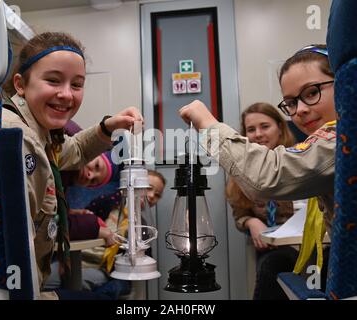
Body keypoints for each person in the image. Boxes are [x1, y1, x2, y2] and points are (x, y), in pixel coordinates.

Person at [180, 44, 336, 293]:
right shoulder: (241, 165)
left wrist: (208, 124)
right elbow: (242, 208)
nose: (302, 110)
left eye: (312, 93)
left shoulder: (334, 140)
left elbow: (268, 176)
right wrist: (251, 221)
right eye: (292, 103)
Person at [1, 32, 143, 299]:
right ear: (20, 84)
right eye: (53, 80)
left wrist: (107, 127)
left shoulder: (41, 133)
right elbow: (16, 243)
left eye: (76, 85)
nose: (66, 94)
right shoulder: (21, 140)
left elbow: (74, 150)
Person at [226, 102, 298, 300]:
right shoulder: (241, 170)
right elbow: (240, 213)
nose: (257, 134)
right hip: (272, 248)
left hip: (312, 245)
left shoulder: (301, 158)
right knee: (271, 267)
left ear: (280, 128)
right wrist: (251, 221)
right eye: (251, 129)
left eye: (264, 126)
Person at [81, 169, 166, 299]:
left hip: (108, 270)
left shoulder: (142, 225)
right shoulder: (107, 202)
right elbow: (81, 225)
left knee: (109, 288)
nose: (152, 195)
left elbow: (145, 254)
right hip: (82, 258)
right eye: (149, 188)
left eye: (158, 195)